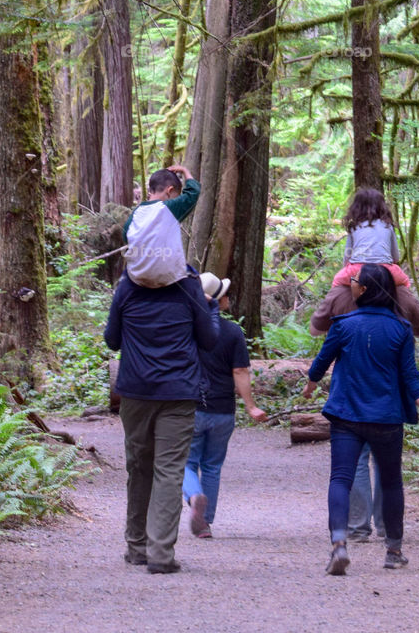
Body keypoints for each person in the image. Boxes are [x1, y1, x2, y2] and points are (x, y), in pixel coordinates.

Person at [303, 263, 419, 576]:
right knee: (392, 481)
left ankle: (339, 544)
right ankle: (393, 551)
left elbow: (322, 360)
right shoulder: (400, 329)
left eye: (355, 281)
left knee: (340, 478)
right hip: (386, 418)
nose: (351, 283)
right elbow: (411, 376)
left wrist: (310, 386)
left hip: (346, 415)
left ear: (364, 290)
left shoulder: (342, 325)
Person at [103, 266, 218, 574]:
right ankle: (161, 554)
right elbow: (208, 340)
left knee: (140, 467)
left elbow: (112, 340)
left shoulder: (127, 285)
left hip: (136, 392)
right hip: (178, 392)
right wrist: (210, 310)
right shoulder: (189, 286)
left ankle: (137, 548)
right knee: (168, 470)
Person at [182, 272, 268, 537]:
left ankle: (194, 496)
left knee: (184, 463)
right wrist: (250, 406)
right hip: (222, 410)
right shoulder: (232, 332)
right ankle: (205, 522)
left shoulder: (186, 329)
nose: (229, 297)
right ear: (217, 300)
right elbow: (240, 371)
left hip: (191, 407)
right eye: (225, 294)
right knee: (212, 466)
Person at [331, 186, 410, 289]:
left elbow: (347, 257)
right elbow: (395, 257)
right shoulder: (388, 226)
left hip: (357, 270)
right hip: (385, 270)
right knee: (405, 282)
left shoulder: (354, 226)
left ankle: (330, 304)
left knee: (337, 282)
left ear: (356, 206)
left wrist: (347, 269)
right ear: (382, 206)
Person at [122, 164, 200, 238]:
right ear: (170, 190)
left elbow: (125, 234)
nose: (175, 200)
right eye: (176, 197)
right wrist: (184, 170)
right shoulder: (167, 208)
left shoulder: (137, 212)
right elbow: (194, 192)